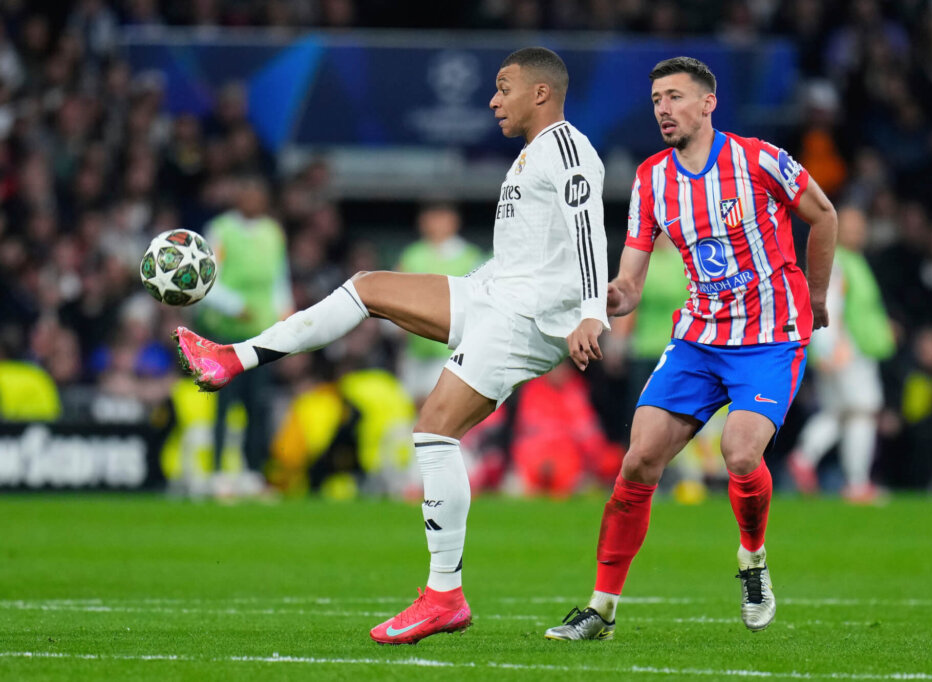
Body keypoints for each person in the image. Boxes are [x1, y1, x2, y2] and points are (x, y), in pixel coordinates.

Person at [172, 47, 609, 645]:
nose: (492, 99)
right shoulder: (531, 156)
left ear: (540, 93)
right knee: (368, 287)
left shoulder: (566, 146)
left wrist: (590, 311)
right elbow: (529, 255)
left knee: (433, 431)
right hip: (497, 296)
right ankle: (234, 357)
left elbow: (590, 226)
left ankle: (444, 595)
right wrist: (486, 288)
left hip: (526, 317)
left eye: (503, 87)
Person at [544, 56, 837, 641]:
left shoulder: (759, 159)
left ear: (708, 103)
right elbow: (631, 280)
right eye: (656, 100)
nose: (663, 109)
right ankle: (600, 609)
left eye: (675, 97)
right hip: (699, 338)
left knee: (740, 454)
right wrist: (599, 306)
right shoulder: (651, 178)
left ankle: (752, 561)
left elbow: (823, 214)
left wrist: (819, 296)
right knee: (638, 460)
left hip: (769, 335)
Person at [192, 175, 293, 493]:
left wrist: (286, 313)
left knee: (257, 403)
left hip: (260, 333)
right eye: (247, 193)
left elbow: (279, 279)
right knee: (224, 402)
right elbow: (207, 278)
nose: (253, 200)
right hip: (223, 331)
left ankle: (252, 471)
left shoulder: (273, 232)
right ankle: (219, 471)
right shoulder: (220, 231)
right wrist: (235, 306)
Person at [788, 206, 895, 504]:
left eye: (861, 226)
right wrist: (827, 346)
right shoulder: (837, 263)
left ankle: (805, 457)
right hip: (848, 350)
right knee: (862, 410)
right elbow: (826, 304)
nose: (858, 232)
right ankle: (856, 482)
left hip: (848, 348)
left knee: (839, 412)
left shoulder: (852, 260)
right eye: (851, 226)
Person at [396, 202, 484, 406]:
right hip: (415, 352)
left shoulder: (470, 257)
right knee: (411, 410)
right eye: (429, 216)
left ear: (453, 221)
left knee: (437, 408)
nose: (434, 222)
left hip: (450, 351)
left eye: (440, 216)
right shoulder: (411, 255)